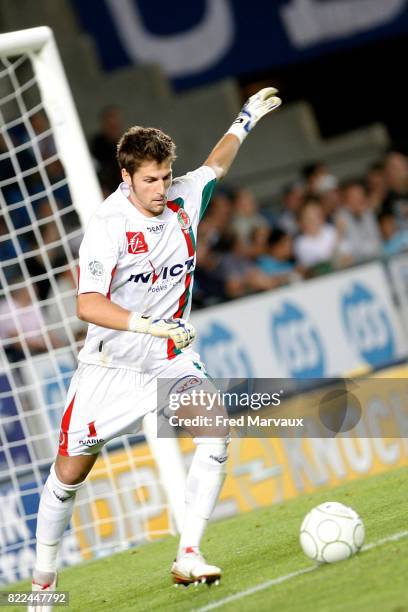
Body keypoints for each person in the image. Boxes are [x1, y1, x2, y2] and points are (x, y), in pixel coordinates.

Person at [29, 87, 282, 602]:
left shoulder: (184, 197)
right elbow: (88, 305)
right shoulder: (108, 225)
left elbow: (216, 165)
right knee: (70, 472)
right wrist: (149, 324)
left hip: (168, 358)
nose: (162, 188)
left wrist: (245, 119)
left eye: (166, 175)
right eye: (150, 180)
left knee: (215, 431)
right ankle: (43, 580)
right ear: (126, 177)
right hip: (110, 366)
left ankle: (188, 554)